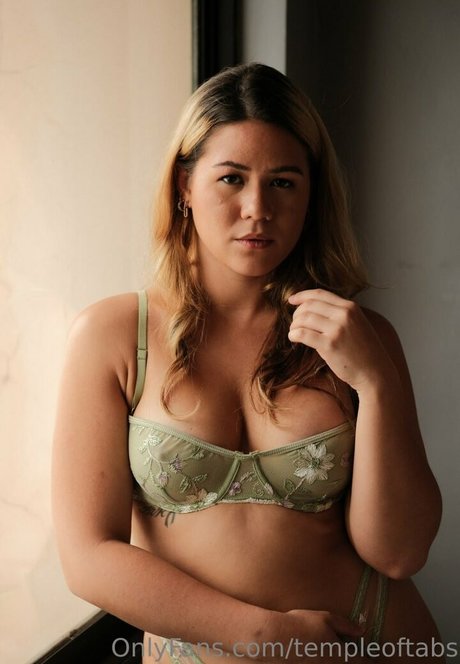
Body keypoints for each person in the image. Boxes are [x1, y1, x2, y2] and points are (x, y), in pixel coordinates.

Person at [52, 63, 444, 663]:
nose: (257, 208)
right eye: (232, 178)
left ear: (311, 195)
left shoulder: (359, 339)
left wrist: (376, 382)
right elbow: (87, 558)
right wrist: (268, 637)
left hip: (368, 647)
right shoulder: (112, 336)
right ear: (184, 185)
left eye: (283, 182)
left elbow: (399, 553)